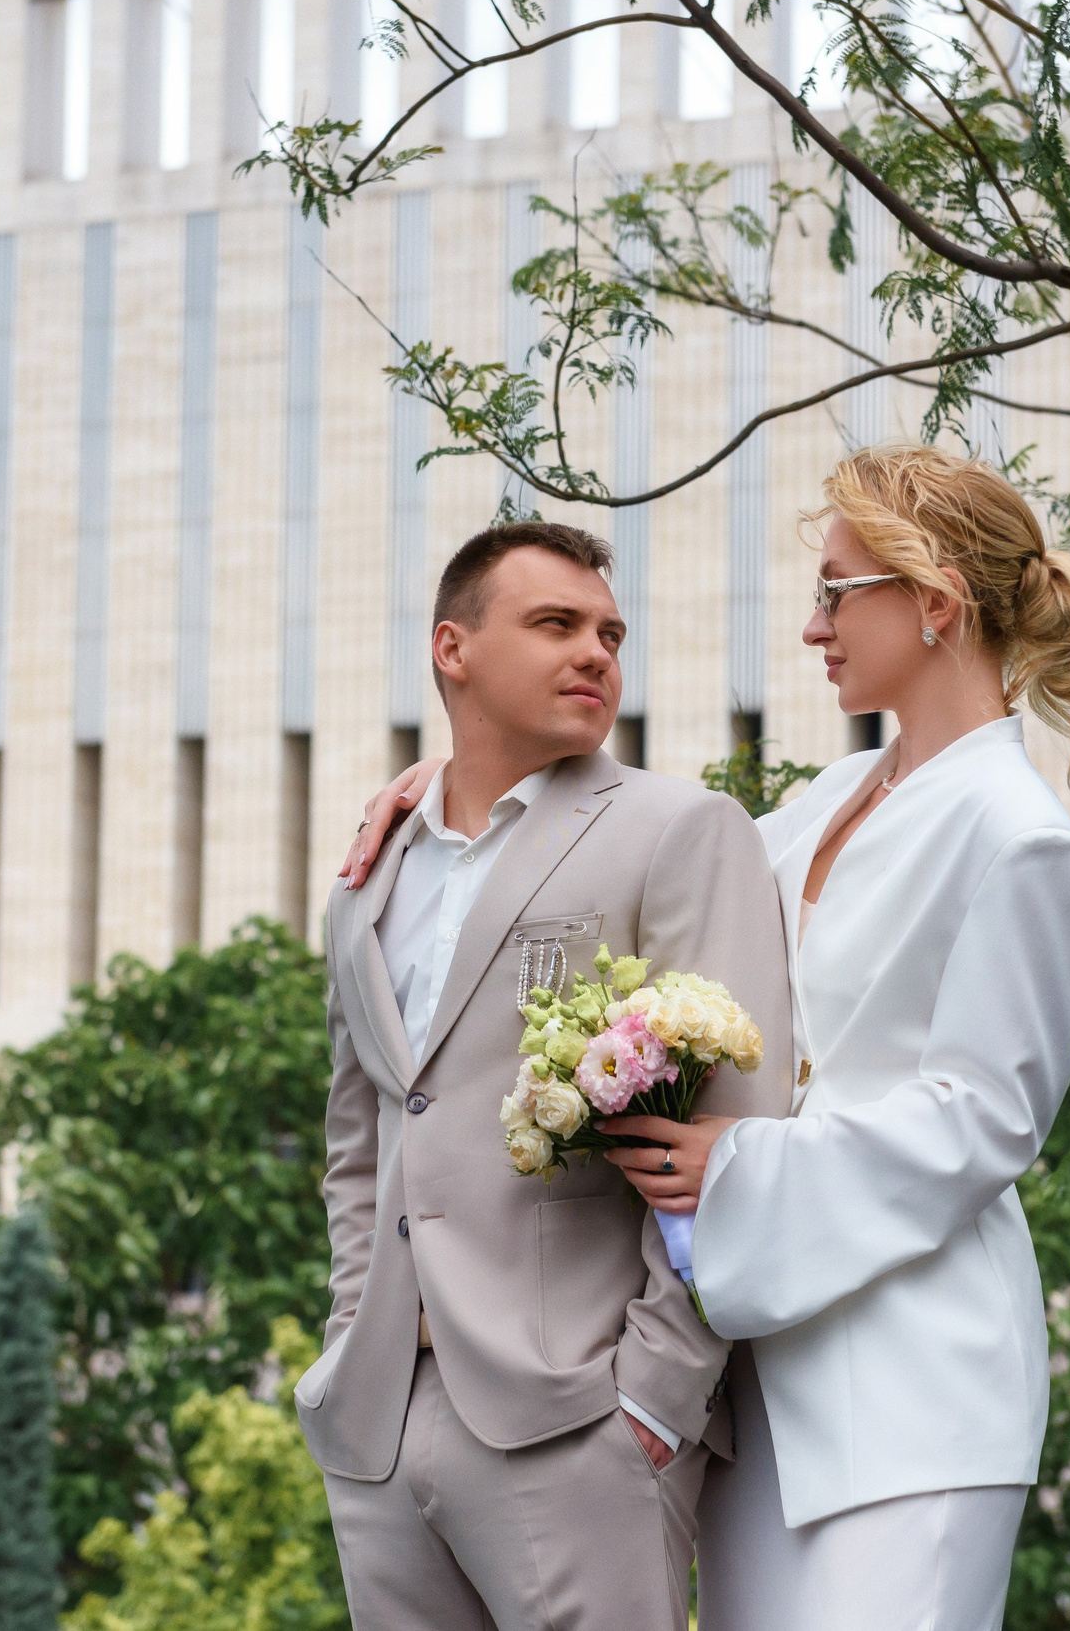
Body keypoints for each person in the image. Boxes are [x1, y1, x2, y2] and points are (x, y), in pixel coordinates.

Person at [340, 446, 1070, 1629]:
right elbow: (612, 847)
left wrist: (738, 1166)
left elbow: (988, 1118)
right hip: (758, 1388)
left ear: (935, 601)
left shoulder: (1023, 837)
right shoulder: (826, 802)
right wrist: (445, 790)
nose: (812, 627)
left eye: (836, 591)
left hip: (913, 1384)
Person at [297, 519, 794, 1631]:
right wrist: (345, 1346)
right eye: (555, 624)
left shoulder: (681, 831)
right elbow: (362, 1141)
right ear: (452, 648)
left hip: (581, 1420)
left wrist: (653, 1398)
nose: (596, 653)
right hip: (380, 1419)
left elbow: (738, 1133)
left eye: (609, 632)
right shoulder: (367, 877)